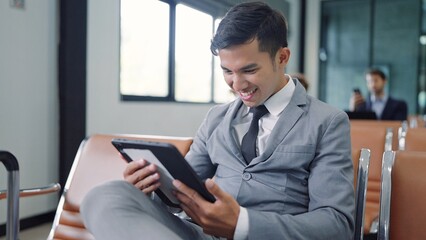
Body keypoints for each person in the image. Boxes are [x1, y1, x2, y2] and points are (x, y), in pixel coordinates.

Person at [81, 2, 354, 239]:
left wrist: (241, 225)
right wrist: (153, 187)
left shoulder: (327, 122)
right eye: (227, 71)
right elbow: (182, 193)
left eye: (249, 70)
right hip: (200, 234)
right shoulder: (216, 118)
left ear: (282, 57)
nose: (237, 84)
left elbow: (336, 226)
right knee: (104, 196)